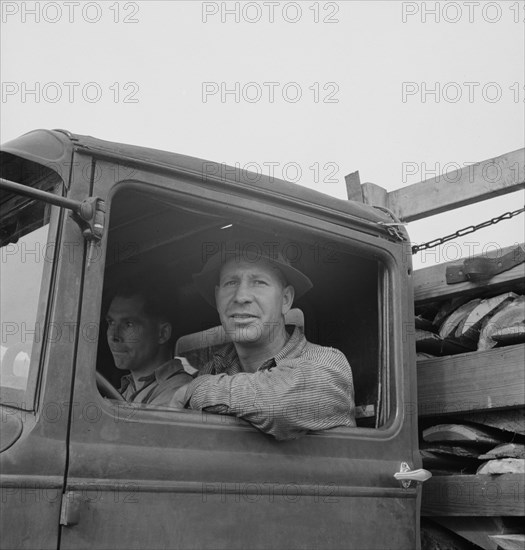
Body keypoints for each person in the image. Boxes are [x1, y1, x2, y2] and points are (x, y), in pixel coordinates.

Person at [171, 241, 356, 440]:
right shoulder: (211, 371)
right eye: (231, 283)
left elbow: (279, 403)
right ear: (217, 297)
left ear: (285, 299)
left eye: (259, 282)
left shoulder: (327, 364)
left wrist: (193, 391)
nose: (241, 296)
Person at [105, 281, 193, 406]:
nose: (114, 336)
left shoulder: (178, 389)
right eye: (111, 322)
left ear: (162, 333)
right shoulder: (124, 390)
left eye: (128, 324)